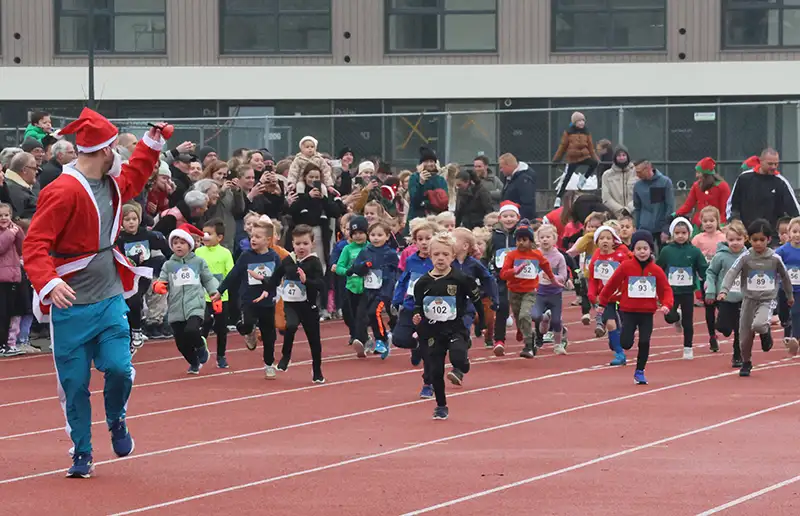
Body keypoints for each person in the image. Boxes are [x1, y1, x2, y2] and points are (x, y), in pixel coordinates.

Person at [23, 108, 166, 478]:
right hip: (70, 305)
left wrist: (152, 143)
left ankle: (116, 418)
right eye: (116, 146)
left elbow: (136, 173)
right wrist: (50, 282)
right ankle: (82, 452)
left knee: (119, 368)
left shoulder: (113, 182)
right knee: (74, 386)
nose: (119, 153)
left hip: (109, 297)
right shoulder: (62, 191)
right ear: (105, 151)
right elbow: (35, 245)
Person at [412, 231, 484, 420]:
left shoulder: (461, 279)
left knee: (458, 358)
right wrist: (416, 317)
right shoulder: (422, 283)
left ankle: (463, 364)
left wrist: (481, 322)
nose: (441, 258)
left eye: (445, 254)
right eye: (436, 254)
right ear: (430, 255)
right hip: (432, 331)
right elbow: (418, 306)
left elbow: (477, 300)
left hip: (455, 328)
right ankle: (441, 405)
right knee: (435, 370)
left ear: (453, 256)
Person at [718, 219, 793, 377]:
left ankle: (765, 334)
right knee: (744, 336)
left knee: (759, 324)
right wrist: (724, 290)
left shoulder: (774, 258)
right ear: (749, 239)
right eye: (754, 240)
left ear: (768, 239)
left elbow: (785, 277)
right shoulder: (745, 257)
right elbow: (732, 272)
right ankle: (746, 362)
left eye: (762, 240)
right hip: (748, 300)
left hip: (767, 299)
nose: (758, 243)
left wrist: (789, 295)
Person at [599, 230, 673, 386]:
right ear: (633, 250)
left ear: (651, 250)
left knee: (645, 342)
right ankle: (621, 341)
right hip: (629, 311)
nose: (642, 252)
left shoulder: (656, 270)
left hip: (647, 313)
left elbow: (666, 289)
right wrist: (602, 303)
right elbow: (611, 284)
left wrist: (667, 304)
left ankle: (640, 371)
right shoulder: (626, 266)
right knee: (626, 343)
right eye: (638, 248)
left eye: (645, 248)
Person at [257, 224, 327, 384]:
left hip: (308, 306)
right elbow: (276, 277)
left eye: (305, 244)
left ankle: (317, 371)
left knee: (314, 340)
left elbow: (321, 285)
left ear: (312, 243)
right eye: (297, 244)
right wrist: (265, 286)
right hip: (291, 303)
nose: (301, 247)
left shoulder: (314, 263)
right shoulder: (289, 260)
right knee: (291, 326)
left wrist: (306, 281)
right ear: (292, 244)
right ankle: (286, 356)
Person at [215, 217, 282, 377]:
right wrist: (220, 290)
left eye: (258, 237)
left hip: (267, 302)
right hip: (248, 300)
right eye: (252, 236)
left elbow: (278, 278)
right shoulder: (246, 256)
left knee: (269, 335)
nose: (253, 239)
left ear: (268, 240)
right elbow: (233, 274)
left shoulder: (274, 257)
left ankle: (268, 364)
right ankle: (248, 331)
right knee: (247, 323)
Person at [153, 224, 220, 374]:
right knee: (181, 343)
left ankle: (201, 347)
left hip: (195, 304)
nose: (179, 246)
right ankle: (194, 362)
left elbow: (208, 279)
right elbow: (162, 280)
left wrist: (214, 295)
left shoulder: (198, 262)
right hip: (176, 307)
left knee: (192, 330)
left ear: (189, 244)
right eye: (175, 243)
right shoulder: (168, 265)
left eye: (182, 243)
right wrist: (158, 286)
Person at [499, 219, 559, 357]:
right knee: (518, 318)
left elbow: (545, 266)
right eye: (519, 240)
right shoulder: (512, 255)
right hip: (513, 291)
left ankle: (528, 346)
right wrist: (514, 270)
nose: (521, 242)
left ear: (531, 241)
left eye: (525, 239)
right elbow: (503, 274)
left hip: (529, 291)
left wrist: (552, 279)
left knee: (525, 315)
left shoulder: (536, 255)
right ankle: (526, 333)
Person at [392, 218, 437, 399]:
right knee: (398, 339)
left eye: (428, 238)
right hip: (411, 306)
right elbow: (404, 280)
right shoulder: (411, 260)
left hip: (430, 310)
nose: (424, 242)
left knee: (429, 351)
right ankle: (415, 346)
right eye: (420, 239)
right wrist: (396, 300)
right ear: (415, 241)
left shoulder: (439, 260)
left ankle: (428, 383)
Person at [116, 202, 169, 354]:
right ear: (121, 223)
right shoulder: (119, 239)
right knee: (128, 304)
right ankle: (129, 332)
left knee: (135, 298)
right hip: (126, 275)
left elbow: (164, 245)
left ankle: (137, 331)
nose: (131, 222)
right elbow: (116, 257)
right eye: (127, 220)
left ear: (139, 220)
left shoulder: (146, 235)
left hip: (143, 274)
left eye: (134, 219)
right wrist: (132, 257)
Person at [347, 220, 399, 360]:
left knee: (374, 311)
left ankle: (380, 340)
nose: (376, 238)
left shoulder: (391, 253)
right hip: (368, 290)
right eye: (373, 235)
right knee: (364, 315)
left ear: (387, 237)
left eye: (380, 235)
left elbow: (396, 272)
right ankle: (378, 337)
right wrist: (364, 266)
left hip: (383, 291)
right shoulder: (365, 252)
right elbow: (356, 269)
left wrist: (389, 286)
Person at [656, 217, 707, 360]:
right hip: (671, 292)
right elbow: (659, 268)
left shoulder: (694, 251)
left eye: (684, 233)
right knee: (669, 317)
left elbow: (702, 268)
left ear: (689, 233)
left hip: (687, 292)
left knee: (688, 322)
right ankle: (676, 317)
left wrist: (708, 281)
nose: (680, 236)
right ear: (672, 234)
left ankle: (688, 347)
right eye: (677, 233)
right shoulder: (666, 250)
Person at [704, 221, 748, 367]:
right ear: (726, 240)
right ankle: (724, 327)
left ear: (745, 239)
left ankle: (737, 355)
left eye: (738, 239)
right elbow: (711, 273)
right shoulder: (721, 256)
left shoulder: (748, 256)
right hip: (725, 297)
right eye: (731, 240)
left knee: (740, 329)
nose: (735, 243)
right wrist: (710, 290)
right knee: (724, 327)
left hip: (743, 298)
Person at [586, 225, 631, 366]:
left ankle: (621, 338)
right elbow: (593, 280)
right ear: (597, 241)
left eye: (608, 238)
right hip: (606, 298)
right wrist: (592, 295)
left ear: (614, 241)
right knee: (610, 324)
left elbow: (630, 272)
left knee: (626, 327)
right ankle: (619, 354)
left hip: (622, 296)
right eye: (601, 238)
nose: (605, 241)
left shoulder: (620, 256)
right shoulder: (596, 258)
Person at [727, 148, 800, 233]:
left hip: (772, 237)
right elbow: (732, 205)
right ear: (761, 161)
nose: (773, 167)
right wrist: (734, 221)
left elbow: (795, 211)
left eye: (776, 164)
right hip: (745, 234)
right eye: (770, 164)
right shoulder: (744, 178)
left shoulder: (781, 182)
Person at [195, 219, 235, 369]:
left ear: (219, 237)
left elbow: (230, 274)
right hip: (203, 297)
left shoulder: (225, 253)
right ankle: (200, 354)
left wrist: (221, 291)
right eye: (203, 233)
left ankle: (221, 356)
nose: (205, 236)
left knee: (221, 328)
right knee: (203, 324)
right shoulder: (198, 252)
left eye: (209, 234)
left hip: (221, 297)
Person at [484, 201, 520, 352]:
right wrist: (483, 269)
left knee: (520, 308)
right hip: (500, 277)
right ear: (500, 218)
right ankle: (499, 340)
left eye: (512, 216)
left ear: (518, 217)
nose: (509, 219)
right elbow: (487, 255)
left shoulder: (521, 234)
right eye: (505, 216)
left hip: (520, 277)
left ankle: (523, 330)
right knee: (502, 307)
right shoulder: (494, 236)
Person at [531, 224, 569, 356]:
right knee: (535, 316)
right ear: (537, 239)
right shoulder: (535, 255)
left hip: (554, 293)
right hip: (539, 292)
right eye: (542, 237)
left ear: (554, 239)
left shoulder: (559, 257)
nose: (545, 240)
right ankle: (544, 318)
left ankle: (558, 345)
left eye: (548, 237)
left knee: (557, 320)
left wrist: (553, 277)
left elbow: (564, 275)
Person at [552, 111, 600, 207]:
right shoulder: (568, 133)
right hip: (572, 158)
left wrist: (596, 159)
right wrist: (556, 160)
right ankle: (558, 197)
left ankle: (583, 178)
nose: (581, 123)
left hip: (584, 156)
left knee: (594, 163)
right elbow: (563, 147)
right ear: (574, 122)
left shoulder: (586, 132)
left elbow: (590, 147)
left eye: (583, 120)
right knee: (567, 177)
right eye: (579, 121)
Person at [335, 215, 368, 346]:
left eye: (361, 233)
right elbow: (339, 267)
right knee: (353, 315)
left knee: (362, 315)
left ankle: (362, 340)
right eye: (355, 233)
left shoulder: (370, 248)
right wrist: (347, 271)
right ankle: (362, 337)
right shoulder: (347, 249)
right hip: (351, 287)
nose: (358, 236)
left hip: (367, 288)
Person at [676, 157, 731, 229]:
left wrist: (721, 225)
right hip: (698, 224)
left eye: (698, 173)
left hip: (716, 225)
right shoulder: (696, 186)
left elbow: (725, 210)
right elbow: (688, 205)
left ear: (706, 174)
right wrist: (675, 214)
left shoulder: (722, 186)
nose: (696, 175)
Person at [633, 159, 675, 252]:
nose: (637, 175)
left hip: (661, 226)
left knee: (663, 254)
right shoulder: (637, 186)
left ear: (648, 168)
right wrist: (637, 226)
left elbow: (670, 207)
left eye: (639, 172)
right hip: (644, 226)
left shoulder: (664, 182)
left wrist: (666, 229)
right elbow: (637, 207)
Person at [0, 203, 23, 357]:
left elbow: (22, 247)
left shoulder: (13, 230)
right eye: (0, 216)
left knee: (10, 312)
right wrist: (11, 233)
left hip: (13, 277)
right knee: (1, 313)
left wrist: (18, 231)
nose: (3, 218)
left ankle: (9, 343)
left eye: (6, 215)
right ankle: (1, 344)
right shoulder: (7, 233)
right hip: (1, 279)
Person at [776, 216, 800, 356]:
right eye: (795, 231)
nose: (797, 235)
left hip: (799, 290)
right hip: (784, 288)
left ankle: (795, 339)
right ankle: (786, 325)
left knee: (796, 312)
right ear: (789, 233)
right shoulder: (783, 251)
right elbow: (771, 261)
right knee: (783, 313)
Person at [407, 146, 449, 220]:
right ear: (421, 164)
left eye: (431, 161)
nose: (429, 164)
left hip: (436, 218)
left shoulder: (440, 179)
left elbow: (443, 200)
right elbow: (415, 201)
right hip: (418, 218)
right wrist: (421, 183)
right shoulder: (414, 177)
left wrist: (426, 203)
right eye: (426, 161)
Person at [601, 145, 637, 218]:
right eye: (619, 156)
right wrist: (621, 210)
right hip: (615, 215)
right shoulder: (607, 175)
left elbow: (640, 194)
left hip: (634, 213)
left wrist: (628, 209)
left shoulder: (636, 172)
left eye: (624, 155)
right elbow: (606, 198)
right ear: (615, 158)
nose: (621, 158)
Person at [498, 153, 536, 220]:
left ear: (508, 165)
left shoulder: (524, 179)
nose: (501, 170)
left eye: (501, 167)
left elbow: (527, 203)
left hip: (519, 220)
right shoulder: (510, 177)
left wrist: (519, 220)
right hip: (512, 217)